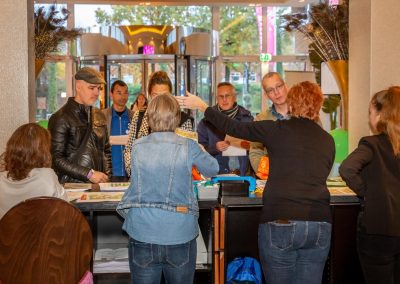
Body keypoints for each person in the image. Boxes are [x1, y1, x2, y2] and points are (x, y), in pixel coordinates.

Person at [177, 81, 335, 284]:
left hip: (281, 220)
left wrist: (202, 106)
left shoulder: (276, 129)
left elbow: (233, 127)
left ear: (292, 104)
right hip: (320, 224)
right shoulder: (327, 140)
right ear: (318, 105)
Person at [117, 94, 219, 284]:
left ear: (149, 118)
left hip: (142, 231)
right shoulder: (188, 146)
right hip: (180, 233)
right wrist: (200, 148)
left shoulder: (138, 147)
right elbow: (213, 169)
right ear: (177, 118)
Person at [339, 87, 400, 284]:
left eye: (370, 112)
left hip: (378, 230)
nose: (370, 117)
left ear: (381, 114)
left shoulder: (372, 144)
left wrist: (368, 193)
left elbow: (347, 168)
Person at [124, 70, 194, 176]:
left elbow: (188, 155)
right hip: (142, 182)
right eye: (155, 96)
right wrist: (135, 171)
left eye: (165, 96)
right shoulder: (139, 116)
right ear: (150, 95)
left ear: (171, 95)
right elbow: (129, 149)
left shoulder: (183, 120)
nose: (160, 101)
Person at [48, 67, 111, 184]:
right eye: (92, 88)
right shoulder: (60, 118)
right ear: (78, 87)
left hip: (99, 187)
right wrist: (89, 174)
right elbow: (56, 159)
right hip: (71, 187)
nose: (97, 93)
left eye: (99, 88)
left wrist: (107, 179)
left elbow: (106, 151)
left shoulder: (99, 115)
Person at [0, 123, 68, 219]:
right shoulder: (47, 177)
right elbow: (66, 212)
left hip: (7, 233)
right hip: (44, 233)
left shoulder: (1, 180)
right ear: (44, 151)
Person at [197, 82, 253, 176]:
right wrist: (215, 148)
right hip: (216, 175)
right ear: (216, 98)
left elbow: (258, 147)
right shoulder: (206, 122)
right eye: (221, 96)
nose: (224, 100)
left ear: (235, 97)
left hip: (244, 175)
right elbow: (198, 150)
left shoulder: (247, 119)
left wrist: (249, 145)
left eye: (227, 96)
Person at [249, 72, 289, 173]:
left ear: (286, 86)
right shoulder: (261, 119)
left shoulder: (305, 113)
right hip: (273, 177)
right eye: (270, 90)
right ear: (266, 95)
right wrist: (268, 173)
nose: (276, 92)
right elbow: (255, 152)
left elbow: (320, 146)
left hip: (304, 178)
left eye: (279, 86)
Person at [102, 80, 133, 179]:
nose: (123, 97)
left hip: (131, 173)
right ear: (111, 94)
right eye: (119, 93)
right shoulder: (102, 116)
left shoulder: (134, 117)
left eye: (125, 93)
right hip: (108, 173)